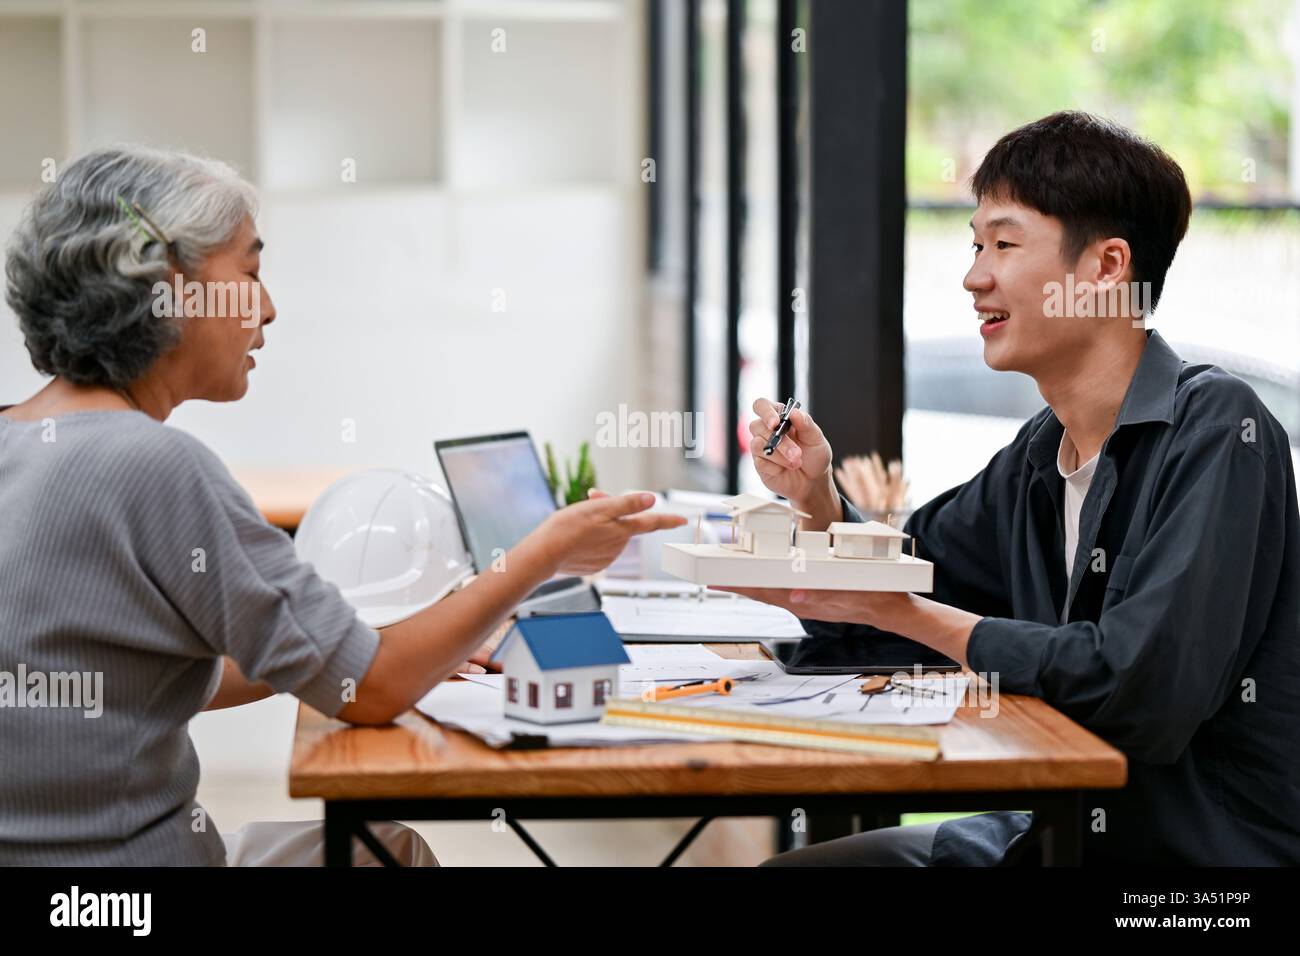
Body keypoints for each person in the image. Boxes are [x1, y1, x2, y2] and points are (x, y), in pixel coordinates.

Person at [0, 144, 686, 866]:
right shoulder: (152, 465)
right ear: (171, 286)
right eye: (251, 271)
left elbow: (126, 682)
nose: (268, 306)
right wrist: (539, 552)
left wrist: (386, 643)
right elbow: (375, 687)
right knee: (388, 855)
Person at [738, 112, 1300, 866]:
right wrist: (818, 505)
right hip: (1049, 837)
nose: (974, 276)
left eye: (1004, 243)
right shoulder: (1043, 449)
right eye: (976, 244)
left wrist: (907, 612)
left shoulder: (1220, 430)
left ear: (1106, 269)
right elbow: (885, 613)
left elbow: (1140, 691)